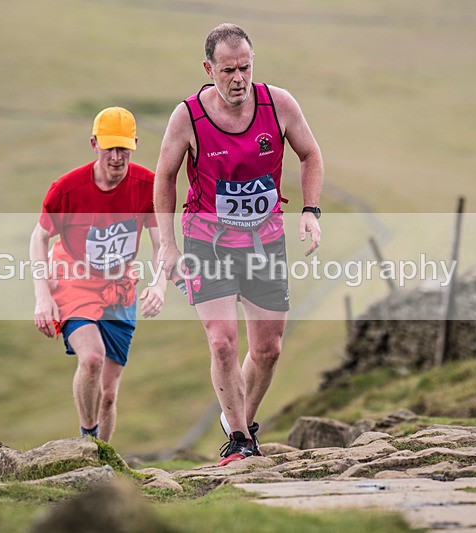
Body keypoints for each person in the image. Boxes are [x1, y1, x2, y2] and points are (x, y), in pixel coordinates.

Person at [154, 23, 324, 466]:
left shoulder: (279, 104)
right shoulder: (187, 117)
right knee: (223, 342)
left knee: (268, 349)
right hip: (206, 240)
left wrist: (310, 211)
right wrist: (168, 247)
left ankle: (238, 427)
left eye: (245, 68)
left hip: (264, 241)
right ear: (208, 69)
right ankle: (242, 441)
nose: (237, 79)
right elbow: (164, 178)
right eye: (227, 70)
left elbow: (310, 154)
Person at [30, 107, 166, 442]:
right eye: (110, 148)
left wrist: (159, 284)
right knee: (91, 359)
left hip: (120, 289)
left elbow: (162, 241)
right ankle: (86, 441)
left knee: (108, 393)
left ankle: (102, 461)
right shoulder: (67, 188)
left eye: (124, 148)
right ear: (94, 144)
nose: (117, 157)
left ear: (135, 144)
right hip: (73, 279)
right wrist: (42, 297)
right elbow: (39, 237)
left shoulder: (148, 185)